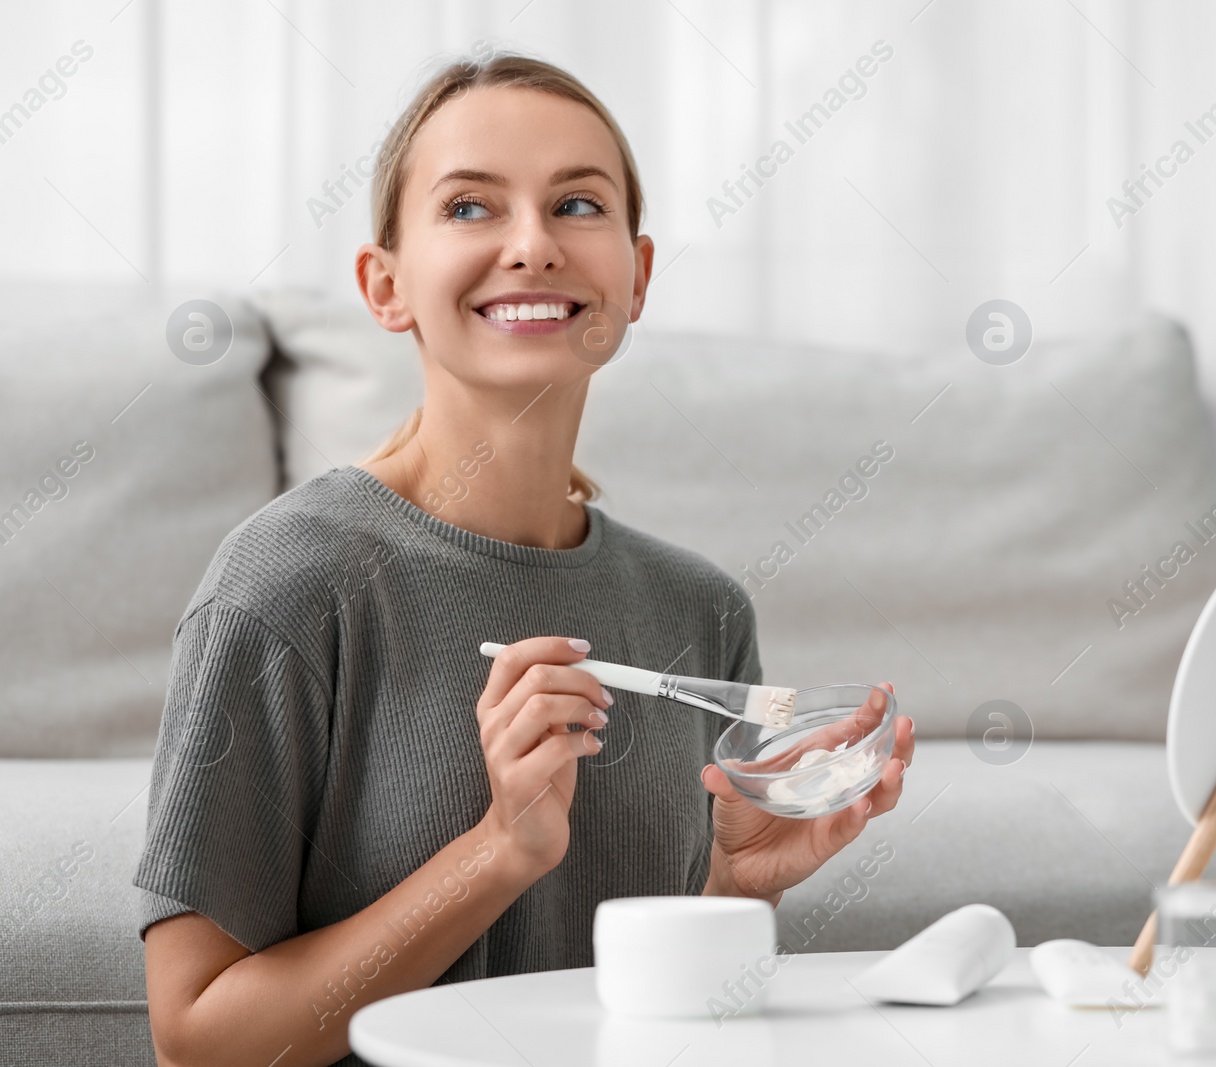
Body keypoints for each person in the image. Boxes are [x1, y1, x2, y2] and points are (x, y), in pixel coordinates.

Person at [136, 50, 915, 1067]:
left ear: (635, 276)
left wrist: (736, 892)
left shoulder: (700, 609)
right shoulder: (285, 586)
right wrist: (497, 852)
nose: (534, 246)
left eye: (577, 204)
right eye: (470, 209)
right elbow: (195, 1036)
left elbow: (639, 1017)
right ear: (386, 284)